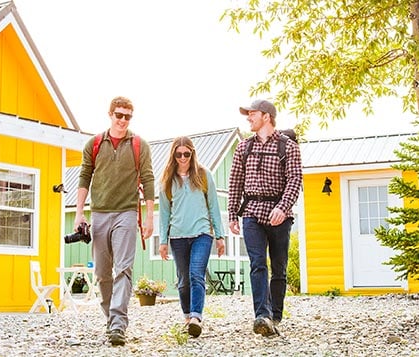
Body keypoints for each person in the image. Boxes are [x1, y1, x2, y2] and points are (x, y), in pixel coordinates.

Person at [74, 96, 155, 346]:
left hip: (127, 212)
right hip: (99, 212)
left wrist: (149, 216)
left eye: (127, 116)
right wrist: (79, 212)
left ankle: (119, 323)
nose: (122, 120)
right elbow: (85, 175)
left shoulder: (139, 144)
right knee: (101, 272)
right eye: (118, 115)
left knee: (124, 268)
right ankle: (112, 319)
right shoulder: (95, 143)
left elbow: (149, 179)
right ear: (110, 114)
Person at [228, 99, 302, 337]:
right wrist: (232, 214)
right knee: (257, 264)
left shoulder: (288, 147)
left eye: (252, 114)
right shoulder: (243, 148)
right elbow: (235, 182)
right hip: (252, 213)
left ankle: (275, 315)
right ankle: (262, 315)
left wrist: (283, 207)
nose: (249, 118)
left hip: (279, 213)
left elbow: (295, 180)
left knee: (278, 268)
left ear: (267, 116)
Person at [158, 136, 225, 338]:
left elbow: (214, 206)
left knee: (196, 274)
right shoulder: (167, 180)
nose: (183, 158)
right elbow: (164, 213)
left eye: (186, 154)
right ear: (173, 155)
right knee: (183, 280)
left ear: (192, 153)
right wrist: (163, 241)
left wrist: (220, 236)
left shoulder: (205, 175)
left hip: (202, 233)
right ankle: (187, 317)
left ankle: (196, 317)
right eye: (178, 154)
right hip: (178, 236)